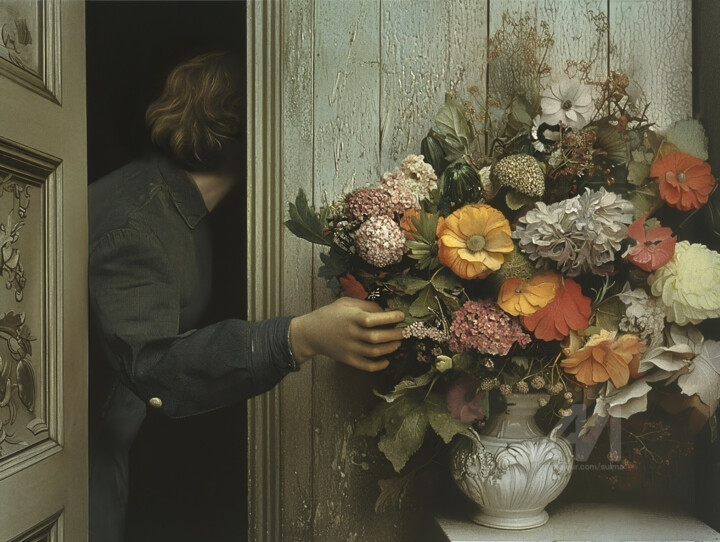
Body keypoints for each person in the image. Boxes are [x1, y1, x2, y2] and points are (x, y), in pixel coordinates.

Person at [88, 51, 405, 542]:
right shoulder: (137, 223)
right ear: (243, 131)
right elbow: (152, 365)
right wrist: (299, 336)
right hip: (87, 460)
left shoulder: (179, 203)